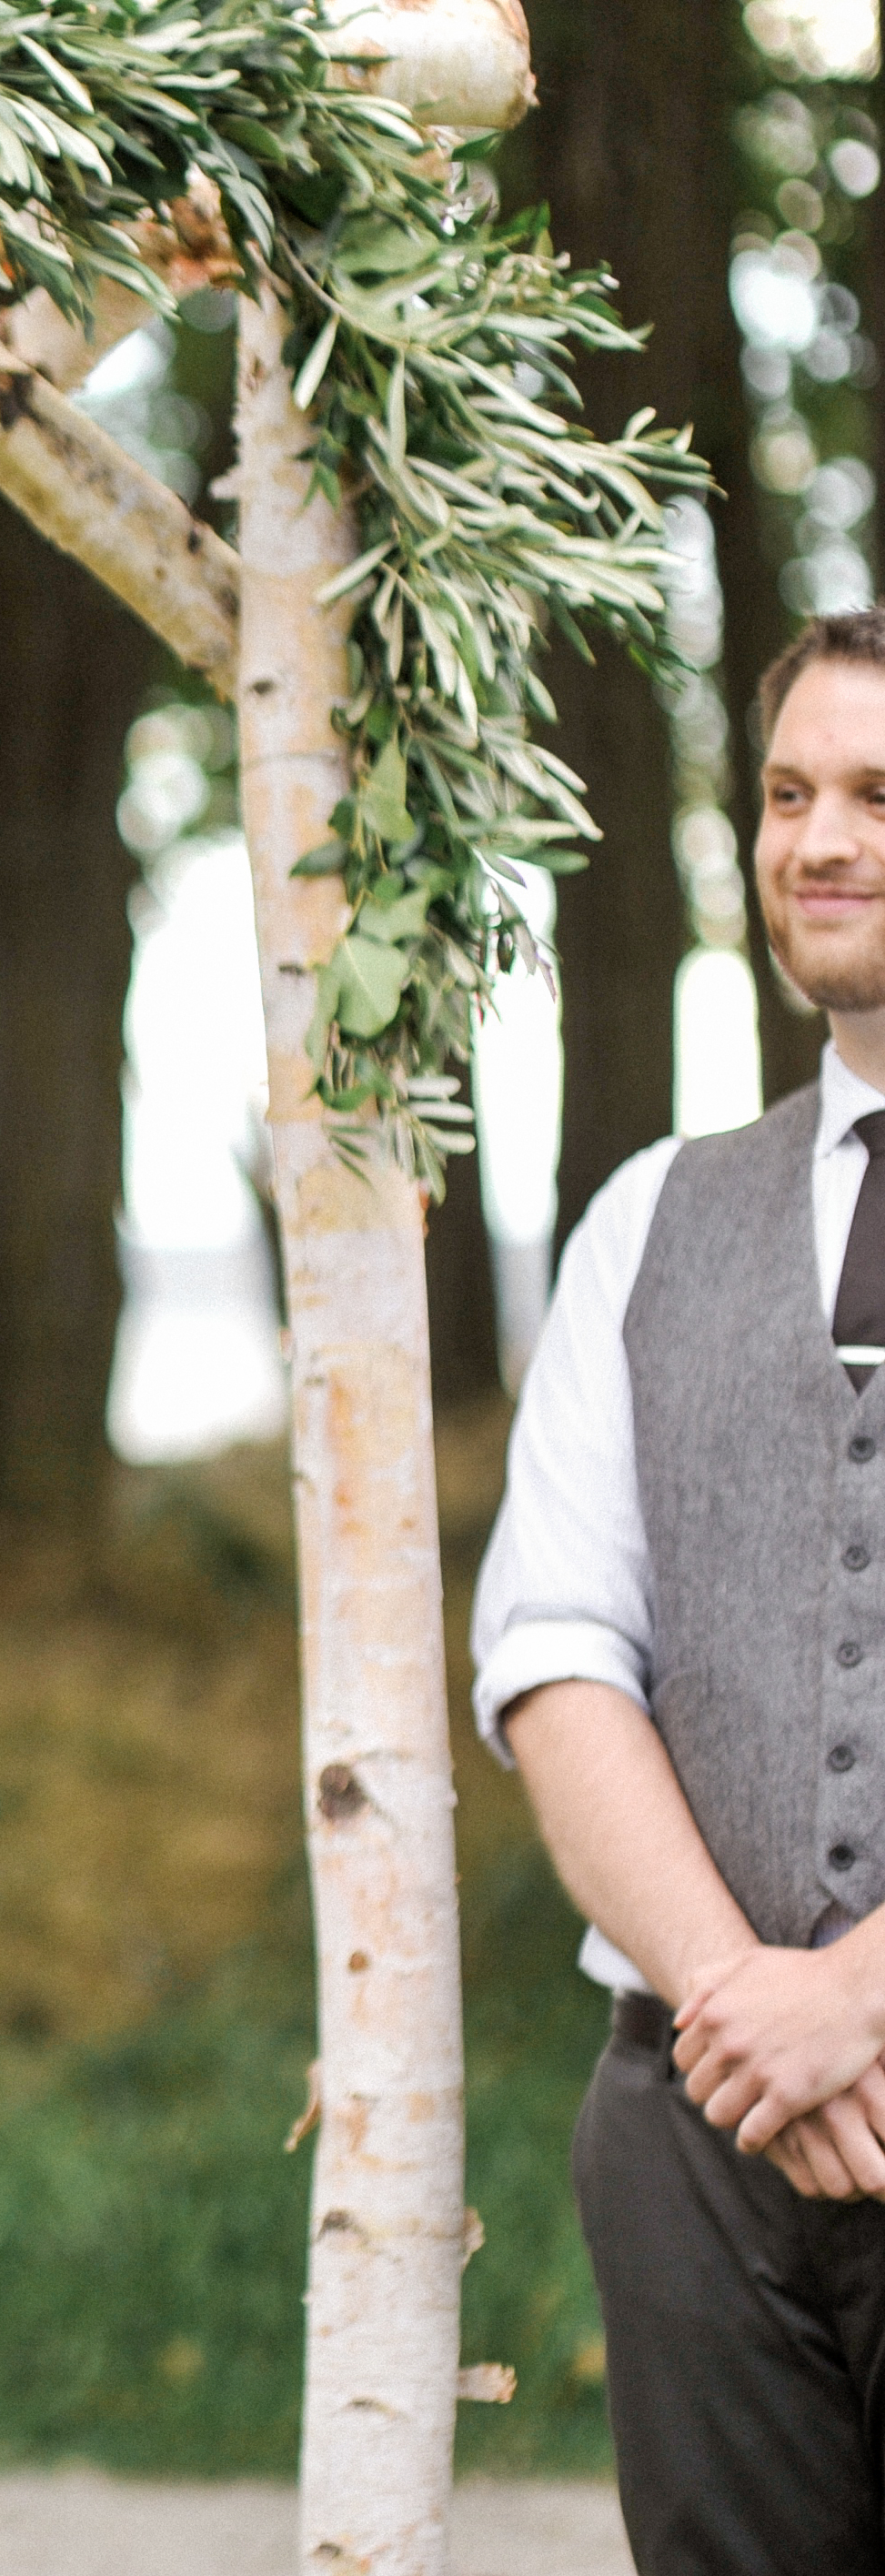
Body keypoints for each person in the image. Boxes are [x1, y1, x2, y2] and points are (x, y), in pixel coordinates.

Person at [477, 609, 885, 2574]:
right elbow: (557, 1655)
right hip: (695, 2137)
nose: (820, 839)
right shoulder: (650, 1215)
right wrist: (748, 2016)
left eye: (878, 796)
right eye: (790, 795)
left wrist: (860, 2002)